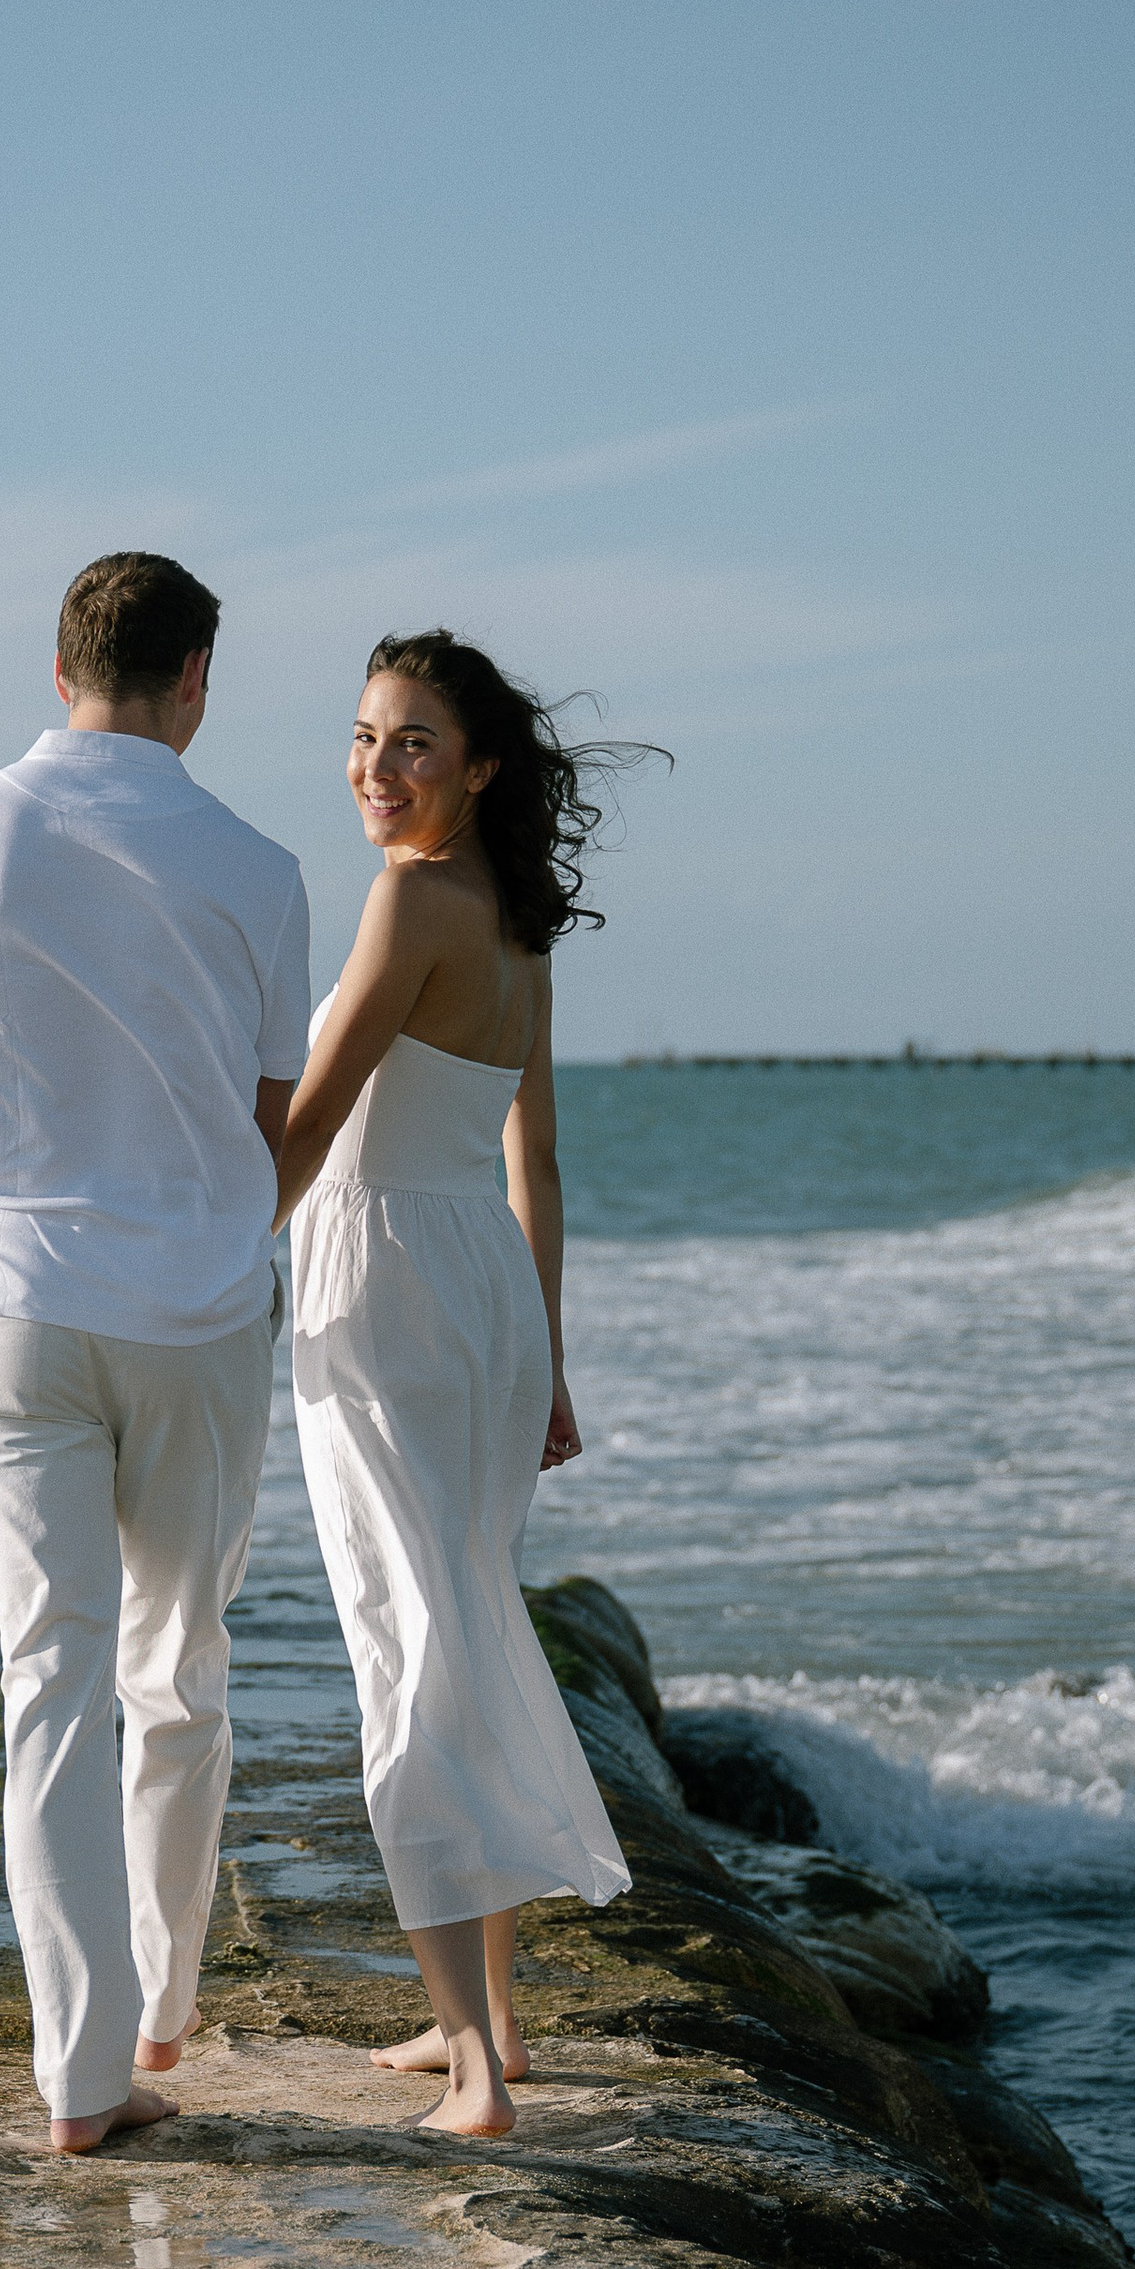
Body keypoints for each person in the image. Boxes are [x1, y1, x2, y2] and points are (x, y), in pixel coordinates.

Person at [0, 552, 311, 2154]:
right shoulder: (259, 864)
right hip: (199, 1313)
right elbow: (274, 1114)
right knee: (182, 1667)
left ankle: (80, 2083)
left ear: (57, 673)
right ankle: (168, 2013)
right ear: (196, 681)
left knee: (53, 1684)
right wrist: (220, 1232)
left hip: (7, 1304)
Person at [273, 629, 650, 2137]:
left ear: (480, 767)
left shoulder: (410, 898)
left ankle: (477, 2071)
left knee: (405, 1647)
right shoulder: (513, 914)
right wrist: (547, 1351)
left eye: (412, 742)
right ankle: (485, 2024)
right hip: (483, 1292)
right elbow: (532, 1157)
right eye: (364, 736)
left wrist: (199, 1261)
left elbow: (308, 1126)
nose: (376, 767)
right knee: (463, 1626)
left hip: (384, 1290)